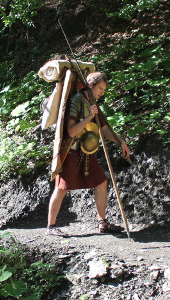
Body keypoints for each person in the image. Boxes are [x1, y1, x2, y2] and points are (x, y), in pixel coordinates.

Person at [47, 72, 131, 236]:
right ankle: (51, 227)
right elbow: (71, 132)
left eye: (104, 89)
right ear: (91, 86)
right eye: (100, 88)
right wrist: (89, 116)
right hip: (70, 151)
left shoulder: (92, 103)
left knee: (101, 182)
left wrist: (120, 141)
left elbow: (104, 128)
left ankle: (102, 222)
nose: (102, 93)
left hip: (86, 151)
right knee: (61, 187)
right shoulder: (77, 101)